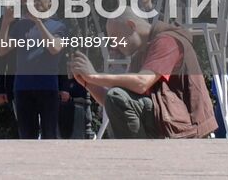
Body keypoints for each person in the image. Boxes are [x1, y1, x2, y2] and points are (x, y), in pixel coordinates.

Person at [68, 8, 218, 139]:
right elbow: (117, 102)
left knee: (117, 95)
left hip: (189, 127)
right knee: (117, 96)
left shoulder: (167, 41)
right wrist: (88, 82)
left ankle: (138, 157)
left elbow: (141, 83)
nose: (114, 46)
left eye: (115, 39)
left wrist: (94, 76)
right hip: (170, 121)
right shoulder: (140, 53)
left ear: (131, 26)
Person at [0, 0, 66, 139]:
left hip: (47, 87)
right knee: (27, 136)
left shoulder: (58, 26)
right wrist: (5, 23)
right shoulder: (20, 26)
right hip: (23, 87)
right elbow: (1, 51)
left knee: (50, 134)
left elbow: (54, 48)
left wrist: (38, 22)